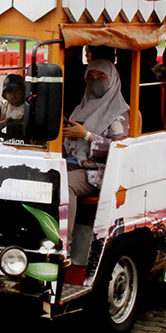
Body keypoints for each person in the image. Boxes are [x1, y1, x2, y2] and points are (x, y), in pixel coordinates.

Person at [63, 57, 130, 238]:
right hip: (70, 163)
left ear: (112, 80)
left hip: (97, 170)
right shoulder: (80, 108)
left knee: (64, 185)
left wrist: (86, 136)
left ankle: (63, 243)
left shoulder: (120, 113)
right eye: (90, 77)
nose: (95, 82)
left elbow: (119, 150)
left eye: (101, 77)